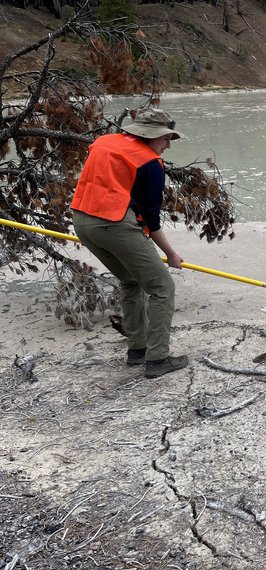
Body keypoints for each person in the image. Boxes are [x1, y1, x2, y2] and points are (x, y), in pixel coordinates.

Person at [71, 108, 189, 379]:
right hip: (113, 224)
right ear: (150, 136)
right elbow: (151, 218)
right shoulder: (150, 164)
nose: (168, 145)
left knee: (130, 280)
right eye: (165, 139)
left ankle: (137, 350)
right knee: (162, 287)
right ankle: (158, 359)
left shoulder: (104, 142)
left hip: (81, 221)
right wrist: (171, 254)